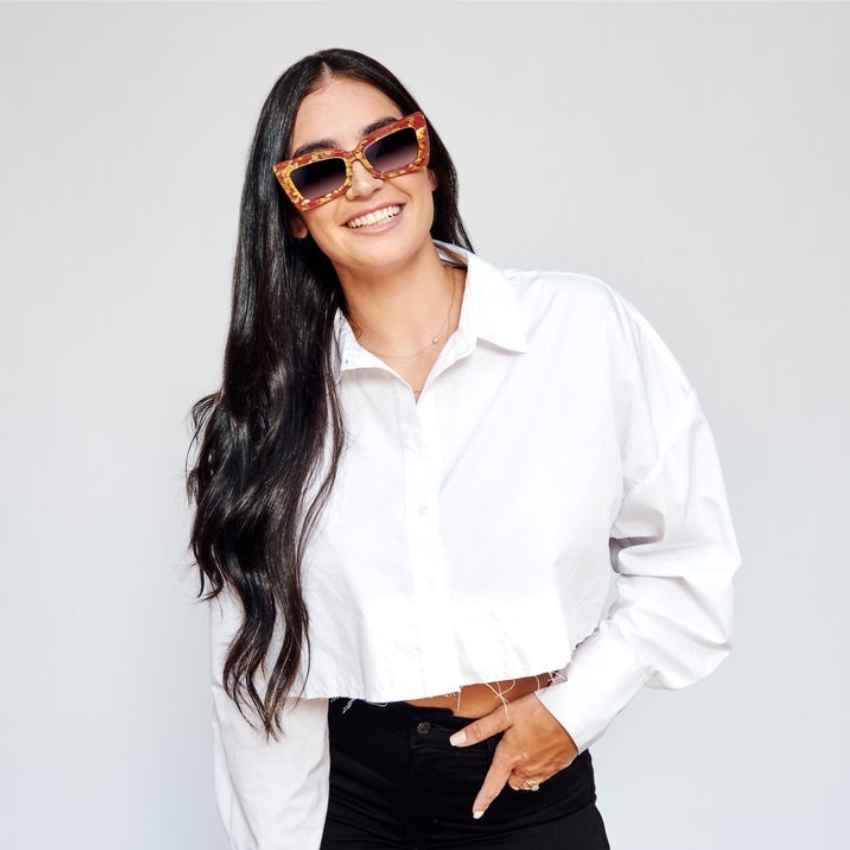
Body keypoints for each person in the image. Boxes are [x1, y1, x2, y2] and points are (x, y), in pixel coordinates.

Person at [188, 48, 739, 850]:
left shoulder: (580, 332)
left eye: (387, 147)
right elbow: (256, 682)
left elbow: (690, 563)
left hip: (529, 784)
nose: (366, 183)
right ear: (295, 216)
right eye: (319, 172)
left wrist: (571, 713)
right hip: (353, 800)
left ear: (429, 163)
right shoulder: (264, 418)